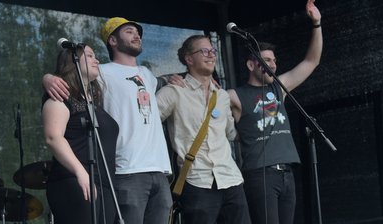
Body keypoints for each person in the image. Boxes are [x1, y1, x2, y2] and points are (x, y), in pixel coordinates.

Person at [43, 17, 173, 224]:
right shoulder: (102, 72)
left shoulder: (147, 74)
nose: (136, 35)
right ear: (112, 40)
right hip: (127, 169)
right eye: (129, 31)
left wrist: (178, 77)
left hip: (158, 169)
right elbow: (70, 77)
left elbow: (163, 80)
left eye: (138, 32)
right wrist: (48, 78)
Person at [226, 0, 323, 223]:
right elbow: (207, 99)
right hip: (260, 175)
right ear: (251, 65)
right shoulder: (235, 95)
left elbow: (311, 61)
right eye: (266, 60)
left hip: (287, 173)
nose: (273, 65)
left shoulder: (279, 87)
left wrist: (317, 24)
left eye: (274, 61)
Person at [157, 35, 251, 224]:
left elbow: (231, 133)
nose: (211, 55)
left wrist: (255, 122)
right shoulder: (174, 91)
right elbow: (145, 120)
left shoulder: (222, 96)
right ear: (189, 59)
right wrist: (164, 79)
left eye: (213, 51)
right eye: (204, 51)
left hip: (230, 178)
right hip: (196, 180)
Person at [42, 44, 119, 224]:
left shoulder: (93, 103)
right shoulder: (62, 96)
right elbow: (53, 137)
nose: (97, 60)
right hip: (75, 179)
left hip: (105, 184)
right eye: (90, 56)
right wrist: (80, 172)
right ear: (73, 61)